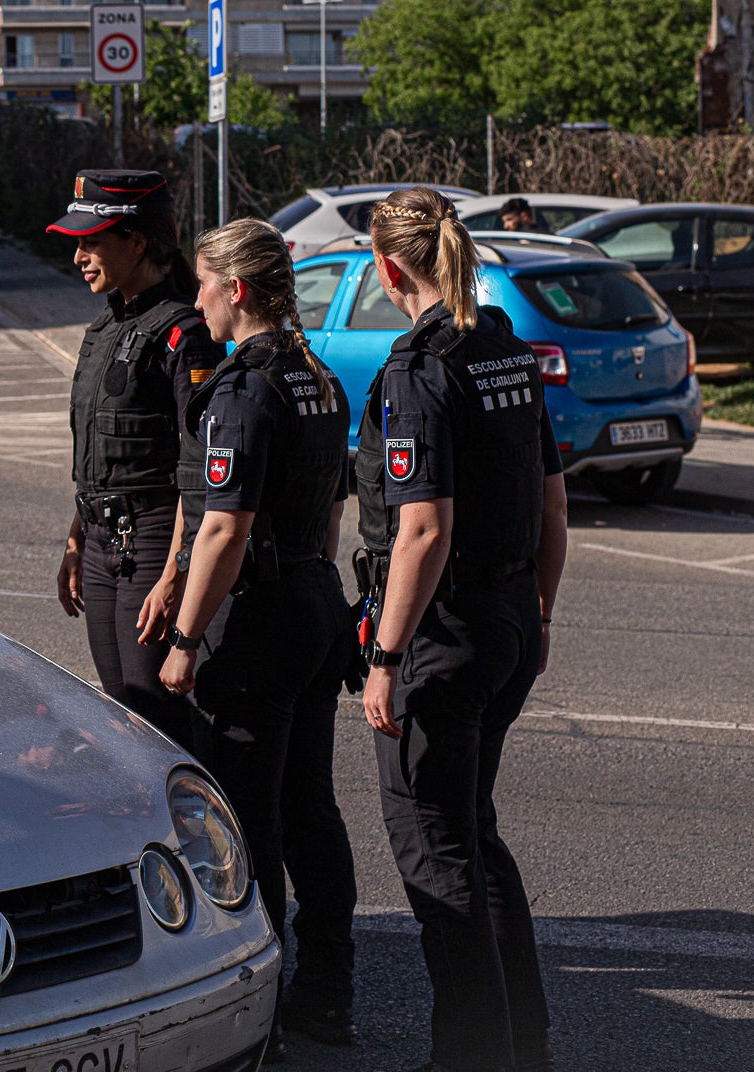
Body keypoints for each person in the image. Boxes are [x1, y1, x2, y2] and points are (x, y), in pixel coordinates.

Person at [354, 186, 569, 1072]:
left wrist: (385, 658)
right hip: (512, 616)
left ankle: (474, 1057)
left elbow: (424, 529)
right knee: (474, 840)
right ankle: (523, 1046)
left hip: (441, 637)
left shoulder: (420, 370)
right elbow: (555, 504)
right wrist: (540, 610)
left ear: (388, 267)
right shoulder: (506, 351)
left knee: (437, 856)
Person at [149, 219, 360, 1056]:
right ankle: (329, 991)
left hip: (264, 624)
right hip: (315, 601)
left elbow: (222, 532)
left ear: (236, 290)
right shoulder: (320, 379)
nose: (196, 298)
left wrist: (185, 638)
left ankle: (258, 1006)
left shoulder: (244, 391)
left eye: (203, 283)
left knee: (249, 818)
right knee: (312, 806)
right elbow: (335, 510)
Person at [51, 170, 221, 749]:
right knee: (121, 714)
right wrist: (75, 542)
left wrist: (176, 572)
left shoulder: (184, 335)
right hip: (99, 545)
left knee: (157, 722)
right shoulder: (104, 329)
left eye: (91, 241)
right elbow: (96, 453)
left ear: (138, 241)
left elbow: (196, 471)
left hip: (150, 542)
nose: (79, 256)